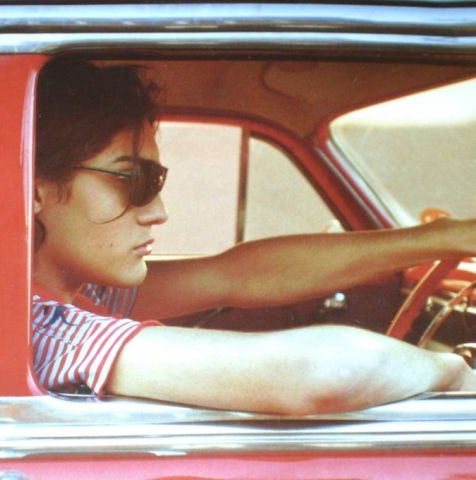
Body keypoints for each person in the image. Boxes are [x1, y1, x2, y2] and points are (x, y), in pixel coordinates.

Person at [32, 57, 476, 416]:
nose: (158, 213)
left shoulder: (81, 290)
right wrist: (454, 371)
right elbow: (320, 376)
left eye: (156, 182)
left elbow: (235, 274)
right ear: (33, 192)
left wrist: (444, 238)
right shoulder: (43, 328)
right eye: (131, 181)